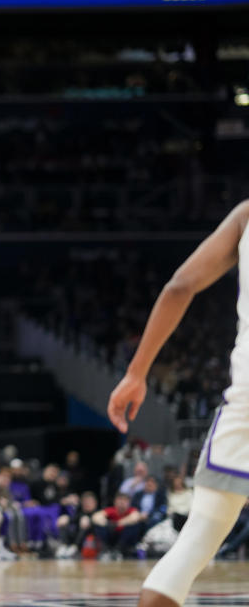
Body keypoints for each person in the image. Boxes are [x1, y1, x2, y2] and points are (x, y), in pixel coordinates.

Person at [107, 199, 249, 606]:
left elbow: (180, 286)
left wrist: (136, 373)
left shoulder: (245, 216)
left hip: (246, 403)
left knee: (191, 547)